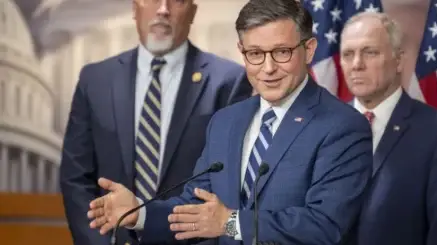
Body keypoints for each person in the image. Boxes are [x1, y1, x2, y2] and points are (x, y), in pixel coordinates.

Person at [86, 0, 374, 244]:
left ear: (309, 50)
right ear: (242, 52)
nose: (269, 67)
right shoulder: (226, 121)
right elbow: (198, 207)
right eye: (255, 54)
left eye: (282, 52)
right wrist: (139, 214)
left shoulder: (344, 127)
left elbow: (324, 226)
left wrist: (231, 223)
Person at [59, 0, 253, 244]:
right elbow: (76, 177)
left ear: (192, 13)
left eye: (176, 1)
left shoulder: (229, 81)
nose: (163, 9)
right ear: (134, 8)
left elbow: (226, 184)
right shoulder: (95, 79)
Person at [339, 12, 437, 245]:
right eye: (348, 54)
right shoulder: (320, 129)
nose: (356, 65)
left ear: (399, 60)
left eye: (370, 52)